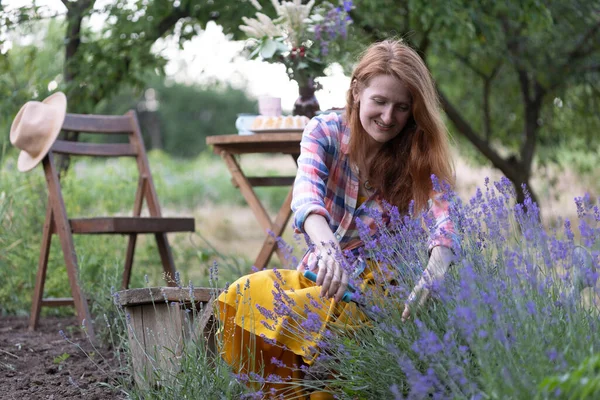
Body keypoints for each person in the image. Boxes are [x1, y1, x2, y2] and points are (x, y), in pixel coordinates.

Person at [216, 39, 457, 399]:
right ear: (358, 90)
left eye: (402, 107)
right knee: (247, 293)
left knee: (342, 326)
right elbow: (307, 195)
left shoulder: (417, 151)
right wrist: (329, 250)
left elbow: (447, 220)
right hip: (322, 274)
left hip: (383, 288)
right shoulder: (325, 131)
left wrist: (434, 273)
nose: (389, 117)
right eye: (379, 101)